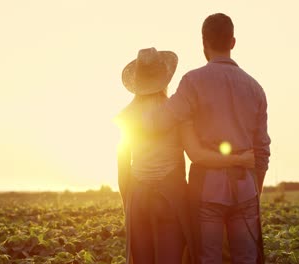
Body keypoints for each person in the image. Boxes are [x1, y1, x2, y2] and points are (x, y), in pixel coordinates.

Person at [141, 13, 271, 264]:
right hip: (246, 190)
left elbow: (157, 123)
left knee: (208, 259)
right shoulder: (255, 88)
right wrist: (255, 192)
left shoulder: (193, 82)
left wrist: (141, 104)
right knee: (246, 259)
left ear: (203, 43)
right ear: (233, 42)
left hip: (206, 192)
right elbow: (262, 152)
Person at [116, 47, 256, 264]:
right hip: (170, 196)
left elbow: (122, 171)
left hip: (137, 198)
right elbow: (195, 153)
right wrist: (237, 159)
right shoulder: (176, 111)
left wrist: (131, 207)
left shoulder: (126, 116)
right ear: (164, 78)